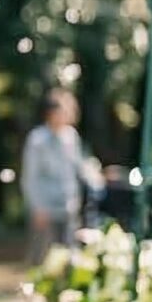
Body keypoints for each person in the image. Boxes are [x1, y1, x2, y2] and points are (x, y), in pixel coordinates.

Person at [22, 90, 100, 262]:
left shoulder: (71, 137)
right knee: (43, 257)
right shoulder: (37, 140)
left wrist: (97, 175)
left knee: (68, 256)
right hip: (46, 209)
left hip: (68, 206)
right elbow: (30, 177)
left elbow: (80, 166)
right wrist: (37, 207)